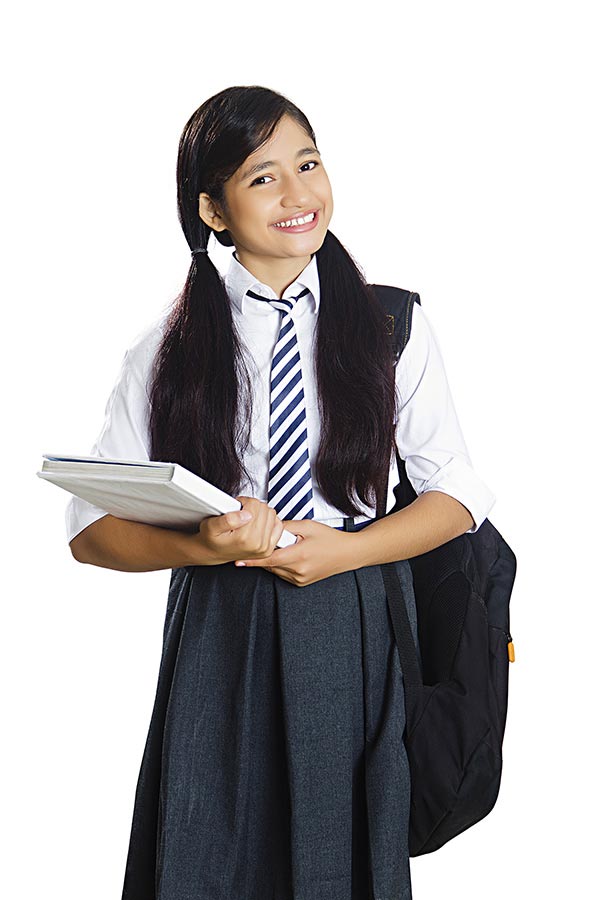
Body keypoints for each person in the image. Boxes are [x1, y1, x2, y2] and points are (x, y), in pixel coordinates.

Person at [66, 85, 496, 900]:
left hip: (359, 611)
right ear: (213, 210)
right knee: (210, 846)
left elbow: (459, 495)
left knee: (346, 856)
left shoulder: (388, 324)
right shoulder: (169, 347)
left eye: (309, 163)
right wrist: (204, 545)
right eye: (263, 178)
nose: (299, 194)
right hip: (220, 620)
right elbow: (92, 530)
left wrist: (351, 552)